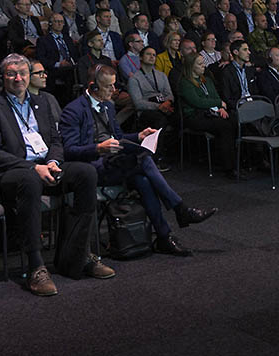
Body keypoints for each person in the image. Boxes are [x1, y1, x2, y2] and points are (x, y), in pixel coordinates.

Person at [0, 54, 112, 296]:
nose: (18, 78)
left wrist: (52, 161)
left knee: (86, 172)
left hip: (45, 166)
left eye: (23, 73)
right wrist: (32, 168)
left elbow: (56, 140)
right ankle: (35, 266)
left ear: (29, 76)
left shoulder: (43, 102)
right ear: (2, 77)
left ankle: (80, 255)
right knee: (29, 181)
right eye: (11, 74)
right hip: (11, 172)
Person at [59, 65, 215, 256]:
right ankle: (180, 209)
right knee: (144, 160)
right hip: (91, 168)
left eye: (115, 85)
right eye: (109, 87)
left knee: (143, 179)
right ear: (93, 87)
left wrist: (138, 136)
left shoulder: (107, 105)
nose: (114, 91)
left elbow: (118, 136)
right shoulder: (73, 110)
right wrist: (98, 148)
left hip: (113, 162)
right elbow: (69, 151)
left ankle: (165, 236)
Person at [176, 52, 239, 179]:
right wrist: (218, 103)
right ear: (190, 66)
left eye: (203, 62)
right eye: (199, 64)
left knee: (234, 120)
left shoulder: (207, 80)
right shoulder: (185, 83)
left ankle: (233, 162)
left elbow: (215, 96)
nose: (203, 66)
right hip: (195, 116)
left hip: (211, 113)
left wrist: (221, 108)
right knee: (224, 125)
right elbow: (197, 102)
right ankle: (228, 167)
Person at [128, 45, 175, 129]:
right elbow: (138, 103)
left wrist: (167, 103)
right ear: (141, 57)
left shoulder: (162, 75)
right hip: (147, 111)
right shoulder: (134, 78)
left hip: (164, 105)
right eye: (148, 54)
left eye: (154, 55)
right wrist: (158, 107)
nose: (152, 57)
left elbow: (169, 94)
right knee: (159, 119)